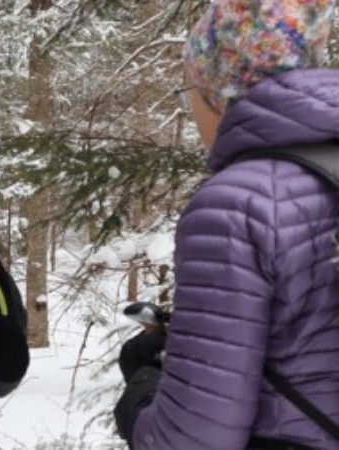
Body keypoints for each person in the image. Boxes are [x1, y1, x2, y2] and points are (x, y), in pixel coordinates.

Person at [113, 1, 339, 448]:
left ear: (221, 90)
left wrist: (139, 396)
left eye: (190, 92)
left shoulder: (236, 204)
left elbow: (190, 440)